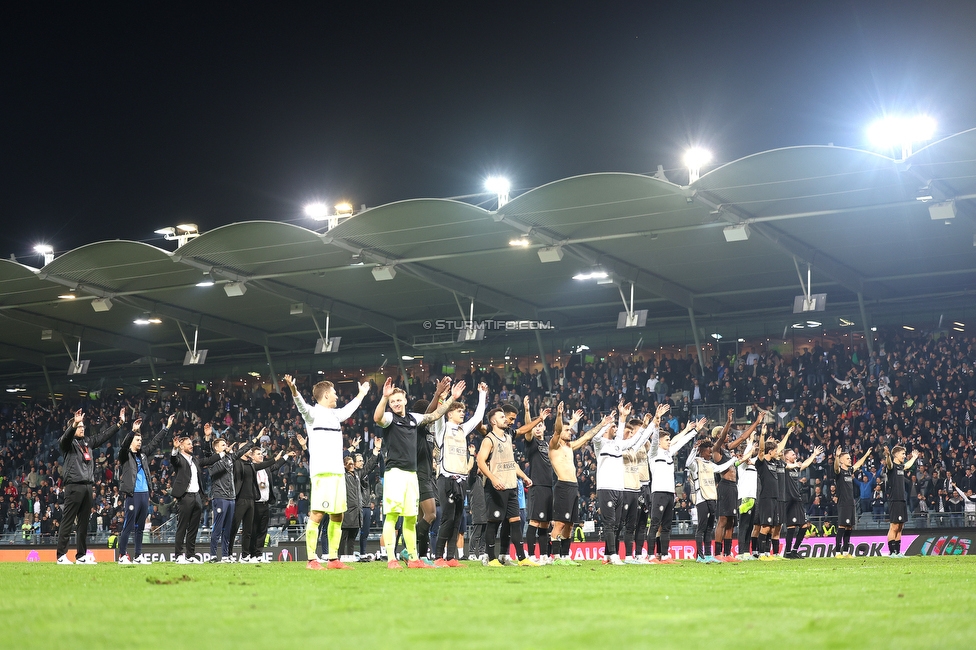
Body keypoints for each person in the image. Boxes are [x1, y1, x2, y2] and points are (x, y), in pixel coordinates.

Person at [283, 373, 370, 570]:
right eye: (334, 393)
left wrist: (362, 394)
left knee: (338, 515)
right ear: (325, 396)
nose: (337, 396)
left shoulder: (335, 415)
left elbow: (349, 409)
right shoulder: (312, 414)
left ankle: (333, 558)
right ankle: (312, 560)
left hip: (338, 472)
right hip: (322, 473)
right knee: (317, 514)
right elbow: (300, 404)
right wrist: (293, 389)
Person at [373, 376, 462, 569]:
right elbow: (377, 418)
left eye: (399, 400)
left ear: (405, 400)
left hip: (412, 474)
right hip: (395, 473)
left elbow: (435, 415)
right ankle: (391, 559)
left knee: (412, 517)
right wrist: (383, 397)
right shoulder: (389, 419)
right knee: (392, 516)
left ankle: (413, 558)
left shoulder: (414, 418)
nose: (396, 403)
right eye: (392, 401)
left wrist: (451, 398)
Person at [56, 408, 122, 564]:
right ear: (72, 427)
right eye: (79, 426)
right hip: (74, 485)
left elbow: (104, 435)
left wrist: (119, 424)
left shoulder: (87, 442)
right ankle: (61, 555)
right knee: (68, 521)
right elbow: (65, 438)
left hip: (87, 487)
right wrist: (73, 425)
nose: (82, 428)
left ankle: (81, 556)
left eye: (83, 426)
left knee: (83, 524)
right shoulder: (67, 444)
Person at [431, 382, 486, 566]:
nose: (463, 413)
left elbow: (478, 416)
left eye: (463, 411)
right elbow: (438, 412)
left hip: (461, 480)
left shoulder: (463, 430)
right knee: (447, 518)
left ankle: (451, 557)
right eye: (459, 411)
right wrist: (446, 398)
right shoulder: (441, 428)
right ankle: (438, 556)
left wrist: (482, 395)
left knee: (457, 519)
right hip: (445, 478)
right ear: (449, 414)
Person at [477, 403, 537, 567]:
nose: (506, 420)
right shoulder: (489, 439)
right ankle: (491, 558)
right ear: (494, 422)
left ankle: (522, 558)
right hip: (496, 488)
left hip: (511, 487)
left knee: (516, 522)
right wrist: (493, 479)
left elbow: (512, 463)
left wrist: (524, 476)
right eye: (502, 417)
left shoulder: (508, 437)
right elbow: (480, 461)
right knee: (494, 522)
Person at [549, 406, 610, 565]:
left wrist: (601, 424)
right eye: (567, 430)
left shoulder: (570, 446)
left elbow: (588, 436)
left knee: (569, 524)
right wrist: (560, 415)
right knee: (560, 522)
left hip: (573, 488)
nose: (571, 432)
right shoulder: (554, 445)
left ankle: (565, 557)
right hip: (562, 486)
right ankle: (555, 557)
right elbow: (557, 430)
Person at [117, 413, 175, 564]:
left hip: (144, 494)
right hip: (132, 493)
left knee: (140, 527)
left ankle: (138, 555)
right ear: (131, 441)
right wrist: (132, 432)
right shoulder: (125, 455)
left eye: (141, 439)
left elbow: (155, 442)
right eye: (137, 440)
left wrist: (167, 427)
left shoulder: (143, 454)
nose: (140, 442)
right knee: (128, 526)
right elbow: (123, 446)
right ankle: (122, 555)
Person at [646, 413, 704, 563]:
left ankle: (664, 555)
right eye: (666, 440)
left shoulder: (669, 453)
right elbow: (653, 441)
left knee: (666, 526)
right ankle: (651, 555)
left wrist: (695, 431)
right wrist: (656, 425)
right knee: (654, 525)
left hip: (670, 494)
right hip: (658, 493)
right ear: (658, 442)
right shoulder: (653, 453)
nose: (669, 442)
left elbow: (682, 441)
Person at [200, 426, 258, 562]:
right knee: (218, 527)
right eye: (223, 445)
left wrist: (256, 438)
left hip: (231, 498)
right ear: (217, 448)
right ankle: (213, 555)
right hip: (219, 497)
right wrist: (208, 438)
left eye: (226, 444)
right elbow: (207, 452)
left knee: (227, 529)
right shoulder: (214, 459)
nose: (226, 446)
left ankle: (225, 555)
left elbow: (243, 450)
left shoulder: (230, 458)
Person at [516, 394, 553, 564]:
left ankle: (544, 555)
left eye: (541, 426)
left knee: (545, 523)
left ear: (545, 428)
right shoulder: (531, 442)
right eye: (536, 426)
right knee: (534, 522)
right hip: (536, 485)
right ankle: (531, 556)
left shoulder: (546, 444)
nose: (538, 428)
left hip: (548, 486)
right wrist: (528, 410)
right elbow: (528, 430)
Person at [248, 445, 294, 562]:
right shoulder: (250, 467)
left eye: (261, 453)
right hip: (254, 504)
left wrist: (286, 456)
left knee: (263, 531)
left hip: (265, 504)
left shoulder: (266, 468)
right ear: (252, 456)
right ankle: (251, 554)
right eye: (258, 454)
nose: (261, 455)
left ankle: (258, 555)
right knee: (253, 531)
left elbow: (277, 465)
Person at [340, 438, 381, 559]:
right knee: (344, 534)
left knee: (353, 535)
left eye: (353, 464)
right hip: (348, 508)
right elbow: (342, 458)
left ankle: (350, 556)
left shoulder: (358, 475)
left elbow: (369, 467)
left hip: (358, 509)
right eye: (351, 464)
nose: (352, 466)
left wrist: (376, 450)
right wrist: (352, 447)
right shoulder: (343, 474)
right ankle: (341, 556)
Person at [782, 444, 824, 559]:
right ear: (786, 457)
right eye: (792, 454)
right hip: (789, 500)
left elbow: (805, 464)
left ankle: (795, 550)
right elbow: (784, 464)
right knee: (791, 527)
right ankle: (788, 552)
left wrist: (814, 454)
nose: (794, 455)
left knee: (804, 526)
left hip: (798, 500)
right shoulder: (783, 466)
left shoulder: (796, 467)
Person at [170, 434, 205, 564]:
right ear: (182, 446)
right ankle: (178, 555)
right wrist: (174, 449)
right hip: (185, 497)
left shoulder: (194, 460)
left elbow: (207, 461)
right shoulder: (179, 459)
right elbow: (173, 460)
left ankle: (190, 555)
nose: (192, 445)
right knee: (182, 527)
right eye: (189, 444)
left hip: (196, 496)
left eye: (192, 444)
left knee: (193, 528)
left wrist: (221, 454)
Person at [832, 446, 871, 558]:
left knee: (849, 527)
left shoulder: (849, 471)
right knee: (841, 526)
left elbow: (858, 464)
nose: (850, 459)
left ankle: (845, 552)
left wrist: (866, 455)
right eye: (848, 458)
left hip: (850, 502)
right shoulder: (839, 472)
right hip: (843, 503)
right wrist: (836, 456)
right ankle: (837, 552)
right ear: (842, 461)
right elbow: (835, 467)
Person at [883, 445, 919, 558]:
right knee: (893, 526)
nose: (904, 456)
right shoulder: (892, 466)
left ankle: (898, 552)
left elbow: (907, 465)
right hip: (894, 499)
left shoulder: (900, 467)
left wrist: (914, 457)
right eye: (903, 454)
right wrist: (887, 455)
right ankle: (892, 552)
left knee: (900, 527)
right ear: (896, 454)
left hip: (902, 499)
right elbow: (888, 463)